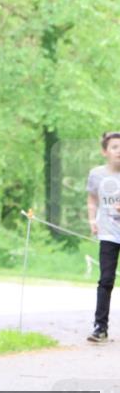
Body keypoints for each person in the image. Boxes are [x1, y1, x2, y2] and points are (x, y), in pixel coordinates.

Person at [87, 130, 120, 343]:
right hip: (109, 234)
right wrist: (92, 220)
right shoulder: (96, 174)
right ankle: (100, 327)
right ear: (105, 151)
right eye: (115, 147)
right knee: (106, 280)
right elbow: (92, 198)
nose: (119, 151)